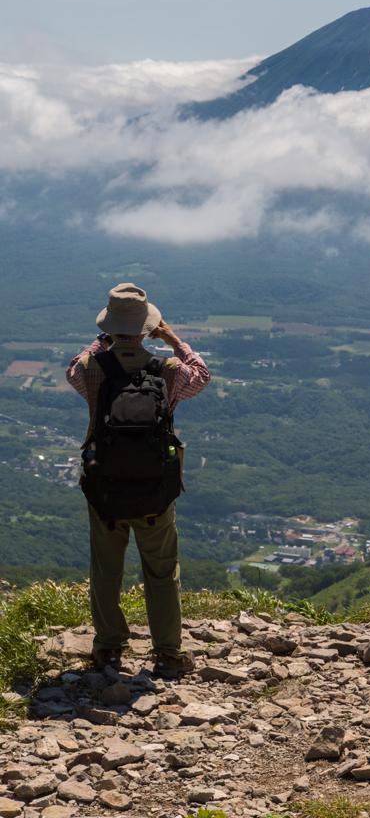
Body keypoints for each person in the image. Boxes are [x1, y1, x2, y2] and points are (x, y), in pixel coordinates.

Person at [66, 283, 210, 676]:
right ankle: (167, 652)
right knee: (162, 571)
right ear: (148, 328)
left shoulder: (92, 369)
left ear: (109, 327)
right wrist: (174, 339)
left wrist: (101, 342)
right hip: (155, 489)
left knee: (106, 570)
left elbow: (73, 368)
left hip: (104, 485)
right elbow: (202, 376)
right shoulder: (168, 370)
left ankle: (109, 648)